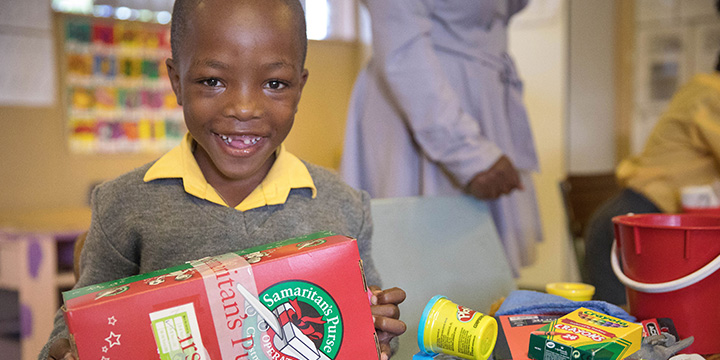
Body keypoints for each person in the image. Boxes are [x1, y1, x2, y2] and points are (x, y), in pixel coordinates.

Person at [41, 0, 406, 359]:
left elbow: (362, 321)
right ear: (177, 82)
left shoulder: (342, 207)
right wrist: (64, 350)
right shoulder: (123, 205)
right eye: (212, 81)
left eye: (275, 83)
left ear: (300, 88)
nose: (244, 107)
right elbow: (72, 329)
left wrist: (377, 331)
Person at [340, 0, 542, 274]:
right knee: (420, 268)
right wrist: (467, 151)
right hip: (424, 104)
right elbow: (401, 40)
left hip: (479, 102)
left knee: (480, 274)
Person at [584, 65, 720, 305]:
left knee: (619, 328)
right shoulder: (712, 92)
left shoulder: (701, 85)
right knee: (617, 328)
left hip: (633, 216)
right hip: (640, 222)